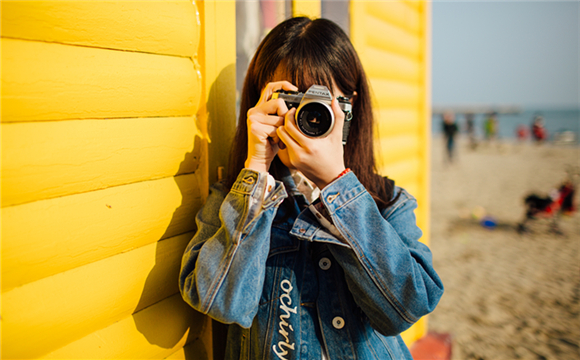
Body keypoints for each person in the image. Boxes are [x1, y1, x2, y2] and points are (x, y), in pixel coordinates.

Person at [179, 17, 443, 360]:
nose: (307, 118)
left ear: (349, 108)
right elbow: (222, 302)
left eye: (319, 106)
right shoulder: (237, 198)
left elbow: (408, 307)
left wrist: (337, 183)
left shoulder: (386, 201)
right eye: (293, 100)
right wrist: (256, 169)